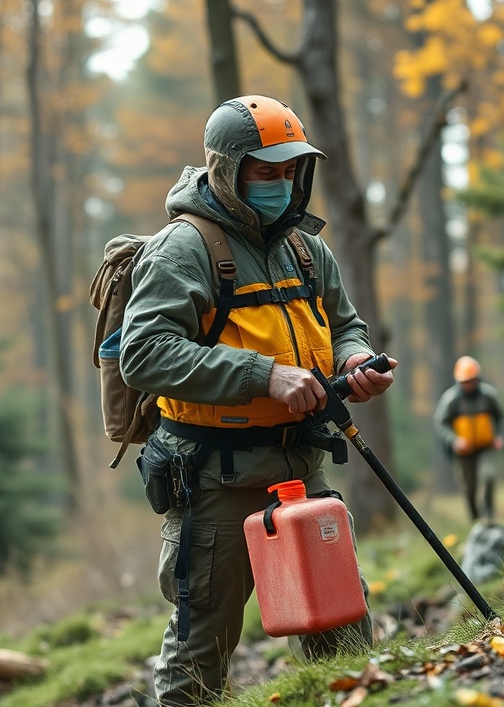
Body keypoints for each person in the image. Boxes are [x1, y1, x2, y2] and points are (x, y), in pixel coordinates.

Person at [119, 94, 398, 706]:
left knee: (342, 625)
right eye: (266, 171)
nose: (281, 184)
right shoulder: (183, 248)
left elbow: (345, 324)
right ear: (227, 170)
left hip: (301, 469)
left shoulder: (304, 246)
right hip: (214, 481)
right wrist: (263, 375)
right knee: (202, 646)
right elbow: (144, 353)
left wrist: (353, 361)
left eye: (290, 170)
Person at [433, 356, 504, 521]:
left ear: (478, 379)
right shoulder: (451, 399)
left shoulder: (488, 395)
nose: (469, 385)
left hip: (486, 446)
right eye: (465, 382)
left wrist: (499, 436)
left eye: (471, 381)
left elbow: (500, 417)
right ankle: (475, 519)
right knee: (469, 487)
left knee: (489, 476)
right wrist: (454, 440)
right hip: (463, 451)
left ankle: (489, 516)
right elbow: (441, 423)